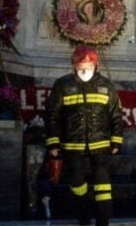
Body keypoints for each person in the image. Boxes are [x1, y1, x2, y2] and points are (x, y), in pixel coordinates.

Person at [45, 46, 124, 226]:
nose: (84, 67)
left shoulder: (106, 86)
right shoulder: (62, 85)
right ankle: (84, 219)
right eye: (81, 63)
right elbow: (52, 115)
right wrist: (53, 143)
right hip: (73, 146)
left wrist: (117, 139)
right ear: (73, 64)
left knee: (103, 187)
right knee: (77, 185)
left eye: (89, 64)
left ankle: (103, 222)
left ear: (96, 65)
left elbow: (116, 114)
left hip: (100, 145)